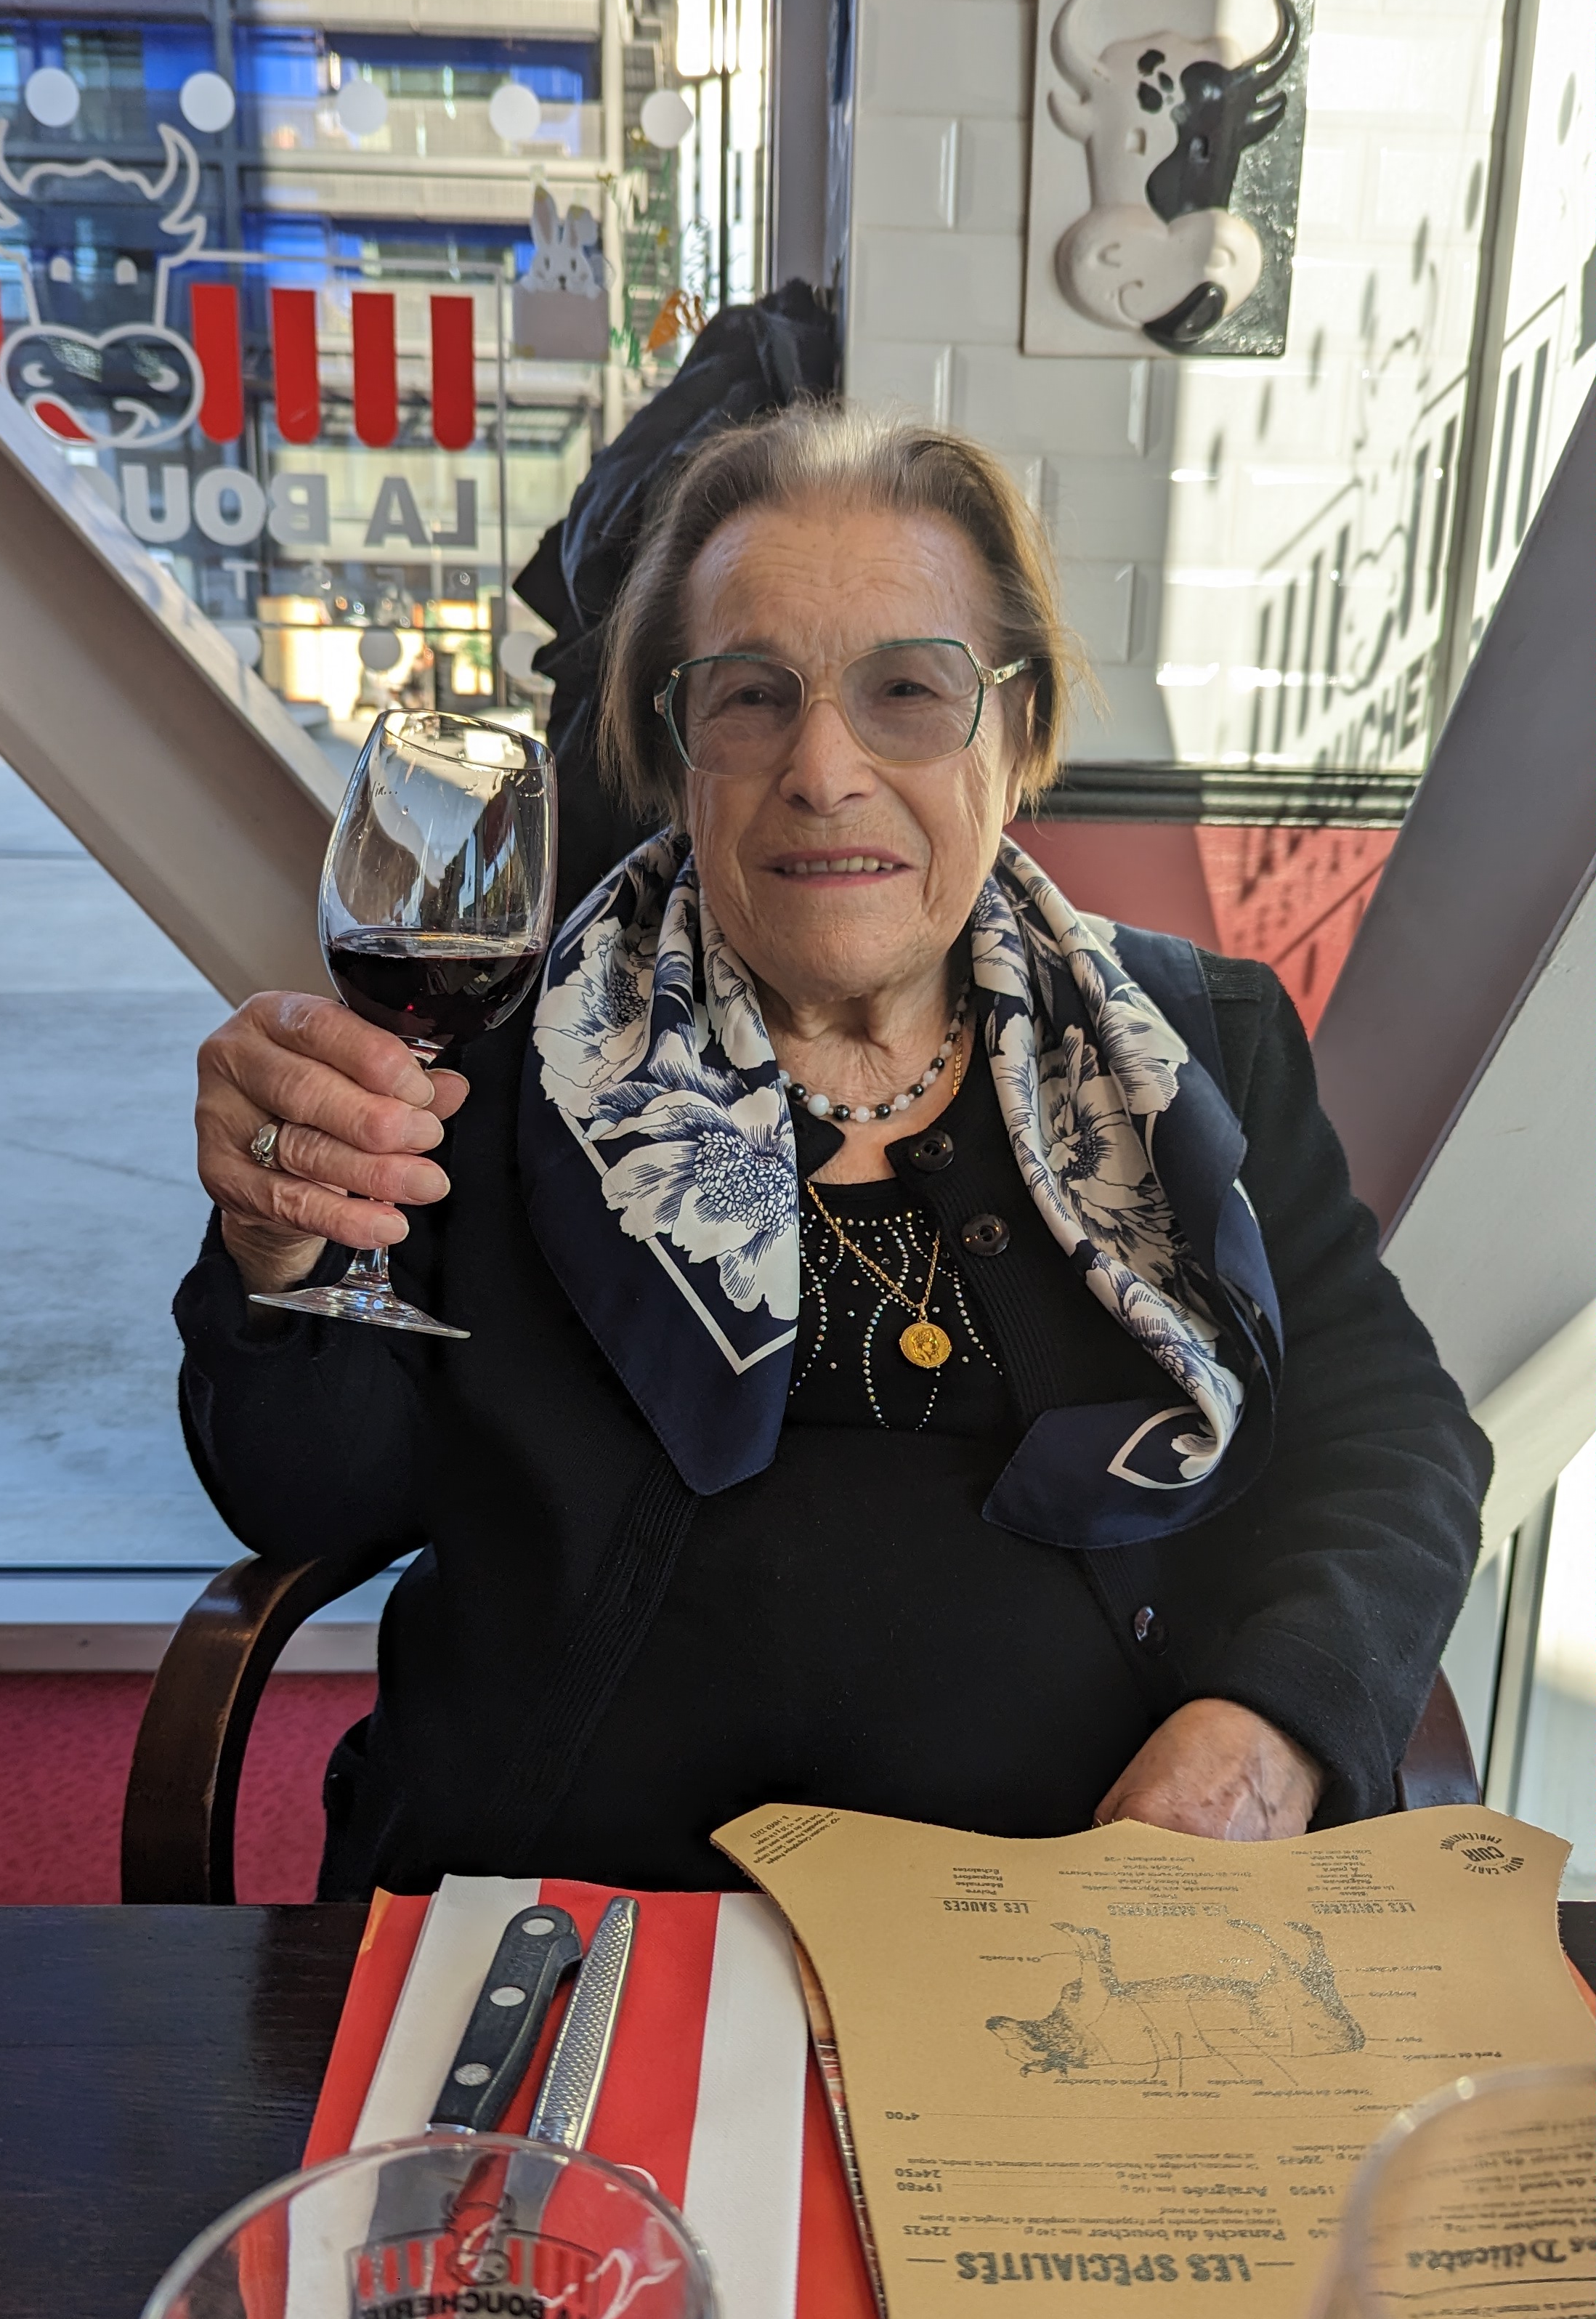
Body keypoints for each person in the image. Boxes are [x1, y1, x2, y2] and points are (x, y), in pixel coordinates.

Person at [178, 404, 1490, 1898]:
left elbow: (1393, 1435)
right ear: (675, 753)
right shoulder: (495, 1062)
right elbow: (312, 1499)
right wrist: (274, 1251)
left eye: (908, 691)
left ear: (1020, 735)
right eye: (750, 697)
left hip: (1098, 1903)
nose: (822, 768)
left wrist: (1269, 1726)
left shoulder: (1199, 1047)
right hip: (577, 1900)